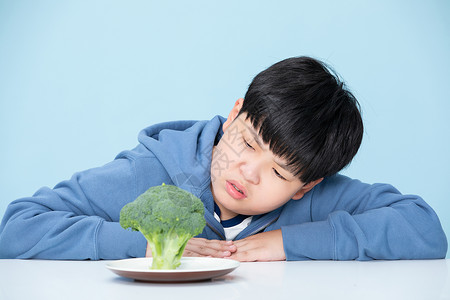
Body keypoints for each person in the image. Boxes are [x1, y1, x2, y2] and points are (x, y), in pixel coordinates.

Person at [0, 57, 447, 261]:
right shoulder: (150, 174)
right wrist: (148, 244)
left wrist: (289, 245)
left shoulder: (315, 198)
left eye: (278, 172)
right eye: (248, 142)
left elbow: (424, 228)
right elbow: (17, 226)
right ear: (235, 113)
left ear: (306, 186)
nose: (247, 173)